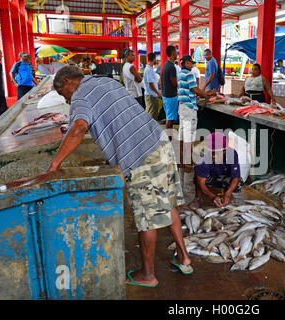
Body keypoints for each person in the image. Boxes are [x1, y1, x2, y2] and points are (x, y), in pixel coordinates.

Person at [47, 66, 193, 287]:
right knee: (167, 202)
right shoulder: (106, 82)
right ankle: (184, 258)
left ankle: (148, 275)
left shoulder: (80, 95)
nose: (66, 100)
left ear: (68, 81)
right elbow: (118, 119)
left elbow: (78, 127)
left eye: (63, 94)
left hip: (141, 157)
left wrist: (55, 164)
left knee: (147, 219)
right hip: (160, 142)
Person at [178, 54, 216, 171]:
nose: (192, 65)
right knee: (189, 136)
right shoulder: (189, 74)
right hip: (189, 108)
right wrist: (207, 94)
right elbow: (194, 89)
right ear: (186, 63)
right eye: (191, 63)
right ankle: (188, 162)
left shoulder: (180, 74)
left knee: (182, 135)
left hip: (182, 107)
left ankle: (181, 160)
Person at [189, 132, 243, 210]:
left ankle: (227, 195)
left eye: (217, 153)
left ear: (224, 151)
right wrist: (212, 197)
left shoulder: (232, 154)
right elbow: (201, 182)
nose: (214, 156)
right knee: (197, 176)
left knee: (238, 183)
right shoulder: (205, 158)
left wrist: (228, 194)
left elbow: (236, 177)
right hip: (210, 177)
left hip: (224, 177)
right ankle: (198, 198)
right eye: (212, 152)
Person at [161, 45, 179, 139]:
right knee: (170, 120)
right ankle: (169, 140)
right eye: (176, 52)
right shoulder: (171, 66)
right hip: (171, 96)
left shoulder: (165, 64)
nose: (177, 53)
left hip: (165, 95)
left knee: (169, 117)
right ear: (173, 54)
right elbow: (174, 83)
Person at [143, 52, 161, 120]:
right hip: (151, 95)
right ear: (154, 59)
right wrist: (157, 92)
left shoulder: (149, 69)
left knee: (151, 112)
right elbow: (150, 84)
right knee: (151, 114)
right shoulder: (148, 69)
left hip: (151, 94)